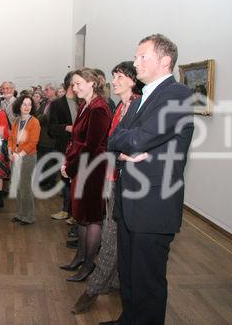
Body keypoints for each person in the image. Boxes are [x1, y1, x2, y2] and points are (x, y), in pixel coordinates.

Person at [102, 34, 194, 325]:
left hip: (153, 205)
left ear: (165, 61)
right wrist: (129, 146)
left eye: (143, 56)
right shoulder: (144, 97)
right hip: (131, 202)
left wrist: (131, 145)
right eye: (136, 56)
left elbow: (140, 138)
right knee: (130, 277)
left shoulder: (177, 94)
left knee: (148, 284)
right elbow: (115, 138)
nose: (135, 62)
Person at [72, 61, 142, 314]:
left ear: (133, 80)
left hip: (125, 180)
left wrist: (117, 153)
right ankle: (113, 281)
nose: (115, 80)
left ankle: (93, 289)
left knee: (110, 235)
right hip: (112, 177)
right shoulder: (120, 107)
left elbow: (123, 144)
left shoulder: (136, 106)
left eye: (120, 76)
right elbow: (111, 143)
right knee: (115, 233)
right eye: (114, 76)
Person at [59, 68, 113, 283]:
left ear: (92, 83)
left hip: (93, 171)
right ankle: (80, 257)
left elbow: (91, 146)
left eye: (79, 83)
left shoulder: (99, 108)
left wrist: (71, 167)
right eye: (73, 84)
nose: (75, 87)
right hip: (81, 167)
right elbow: (77, 141)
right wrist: (68, 162)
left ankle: (89, 264)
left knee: (92, 219)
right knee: (81, 216)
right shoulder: (85, 105)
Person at [48, 71, 77, 221]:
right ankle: (66, 210)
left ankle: (75, 213)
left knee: (78, 182)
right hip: (63, 147)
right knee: (65, 180)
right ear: (69, 84)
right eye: (76, 82)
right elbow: (51, 129)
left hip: (80, 149)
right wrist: (67, 127)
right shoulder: (57, 104)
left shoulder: (83, 101)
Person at [8, 94, 40, 224]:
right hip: (14, 157)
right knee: (18, 187)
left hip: (27, 158)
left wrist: (18, 154)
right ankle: (20, 214)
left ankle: (29, 217)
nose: (27, 107)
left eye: (29, 104)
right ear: (19, 106)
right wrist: (10, 150)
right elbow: (10, 138)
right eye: (24, 104)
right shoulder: (16, 121)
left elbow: (33, 142)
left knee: (26, 187)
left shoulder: (34, 122)